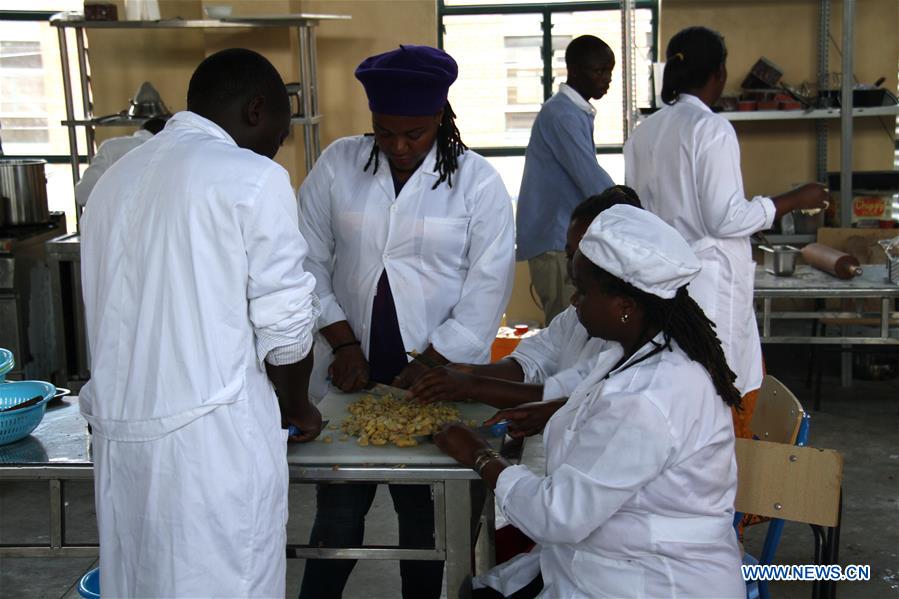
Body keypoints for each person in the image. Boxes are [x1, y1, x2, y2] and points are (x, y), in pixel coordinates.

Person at [79, 48, 322, 597]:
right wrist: (299, 408)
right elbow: (285, 331)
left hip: (123, 444)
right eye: (280, 133)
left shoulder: (115, 183)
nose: (276, 146)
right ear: (257, 110)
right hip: (212, 451)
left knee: (141, 581)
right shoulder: (251, 178)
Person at [435, 205, 745, 598]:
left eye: (582, 291)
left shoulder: (646, 398)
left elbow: (557, 515)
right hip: (610, 561)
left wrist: (479, 456)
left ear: (626, 307)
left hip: (652, 582)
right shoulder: (640, 351)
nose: (575, 301)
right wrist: (561, 412)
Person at [296, 44, 515, 599]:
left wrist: (434, 365)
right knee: (339, 518)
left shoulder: (477, 182)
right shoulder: (338, 164)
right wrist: (342, 341)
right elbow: (305, 261)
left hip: (435, 383)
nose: (397, 147)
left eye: (413, 134)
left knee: (427, 524)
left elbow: (488, 286)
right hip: (351, 377)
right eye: (385, 131)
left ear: (440, 117)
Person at [623, 26, 829, 434]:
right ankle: (726, 485)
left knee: (680, 394)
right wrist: (793, 199)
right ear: (718, 73)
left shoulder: (644, 132)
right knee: (722, 396)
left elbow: (638, 211)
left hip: (663, 283)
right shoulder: (711, 129)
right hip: (709, 288)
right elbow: (725, 218)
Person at [409, 185, 639, 408]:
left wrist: (474, 385)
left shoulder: (636, 338)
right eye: (570, 255)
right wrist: (472, 372)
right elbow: (534, 361)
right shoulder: (575, 316)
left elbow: (579, 397)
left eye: (586, 256)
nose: (574, 267)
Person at [516, 35, 616, 325]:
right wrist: (632, 210)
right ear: (573, 70)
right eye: (598, 71)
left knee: (572, 331)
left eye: (609, 71)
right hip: (555, 243)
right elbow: (592, 180)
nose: (606, 79)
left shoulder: (574, 112)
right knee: (567, 332)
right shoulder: (561, 114)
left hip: (560, 241)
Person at [74, 117, 166, 207]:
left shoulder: (111, 148)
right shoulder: (171, 152)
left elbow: (83, 194)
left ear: (141, 130)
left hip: (111, 219)